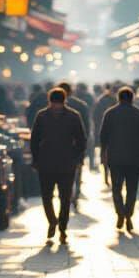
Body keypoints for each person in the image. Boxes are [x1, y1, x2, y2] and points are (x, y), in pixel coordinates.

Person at [30, 87, 86, 244]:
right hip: (53, 164)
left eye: (58, 103)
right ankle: (53, 222)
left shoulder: (47, 116)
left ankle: (62, 227)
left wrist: (75, 157)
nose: (56, 106)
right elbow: (34, 140)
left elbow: (81, 140)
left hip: (60, 164)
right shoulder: (44, 116)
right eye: (55, 103)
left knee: (64, 198)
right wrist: (36, 158)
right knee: (49, 197)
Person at [98, 86, 139, 232]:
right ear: (132, 98)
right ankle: (129, 215)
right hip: (135, 158)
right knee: (132, 188)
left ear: (118, 98)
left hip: (115, 157)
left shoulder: (110, 113)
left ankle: (120, 213)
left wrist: (104, 152)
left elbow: (103, 137)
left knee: (116, 188)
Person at [57, 81, 90, 211]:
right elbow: (86, 127)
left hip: (58, 147)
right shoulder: (81, 105)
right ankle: (75, 196)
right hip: (76, 144)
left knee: (60, 173)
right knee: (77, 171)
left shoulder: (51, 108)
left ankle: (65, 196)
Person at [92, 84, 115, 184]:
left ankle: (106, 177)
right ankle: (110, 176)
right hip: (115, 132)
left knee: (104, 153)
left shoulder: (100, 100)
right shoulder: (115, 101)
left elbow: (95, 116)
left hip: (103, 130)